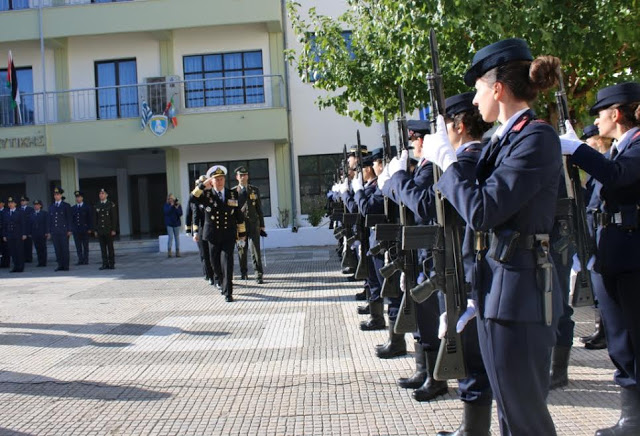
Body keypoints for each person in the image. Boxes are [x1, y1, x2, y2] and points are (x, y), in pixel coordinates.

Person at [424, 39, 563, 435]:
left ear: (497, 88)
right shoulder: (504, 139)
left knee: (524, 417)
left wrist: (449, 162)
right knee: (509, 413)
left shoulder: (536, 138)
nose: (476, 98)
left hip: (520, 293)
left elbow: (483, 210)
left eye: (479, 88)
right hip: (495, 287)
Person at [560, 81, 640, 436]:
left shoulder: (637, 145)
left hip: (632, 255)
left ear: (616, 113)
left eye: (600, 113)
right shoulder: (621, 148)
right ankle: (631, 417)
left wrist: (578, 149)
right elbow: (597, 189)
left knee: (634, 338)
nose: (598, 119)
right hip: (613, 253)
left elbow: (618, 177)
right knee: (622, 339)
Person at [190, 165, 246, 302]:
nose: (219, 181)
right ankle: (221, 282)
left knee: (227, 262)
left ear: (224, 180)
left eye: (221, 179)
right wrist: (203, 186)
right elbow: (192, 198)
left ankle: (228, 292)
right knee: (215, 263)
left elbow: (238, 213)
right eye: (216, 179)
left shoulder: (232, 194)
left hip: (228, 234)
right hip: (213, 235)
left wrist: (242, 232)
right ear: (212, 181)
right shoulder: (206, 195)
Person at [232, 166, 266, 283]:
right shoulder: (233, 192)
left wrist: (262, 224)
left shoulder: (254, 190)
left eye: (245, 175)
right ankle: (243, 272)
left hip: (253, 224)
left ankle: (258, 274)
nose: (243, 177)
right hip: (240, 226)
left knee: (255, 250)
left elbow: (259, 208)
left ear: (248, 176)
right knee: (242, 249)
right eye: (240, 175)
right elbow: (231, 211)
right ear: (237, 177)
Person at [189, 176, 218, 288]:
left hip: (214, 229)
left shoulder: (214, 194)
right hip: (202, 230)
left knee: (215, 255)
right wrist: (195, 232)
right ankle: (210, 276)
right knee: (205, 255)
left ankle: (218, 276)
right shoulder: (198, 198)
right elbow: (195, 215)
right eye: (204, 184)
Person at [48, 187, 72, 272]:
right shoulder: (51, 206)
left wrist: (69, 230)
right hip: (55, 231)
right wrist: (49, 231)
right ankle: (60, 265)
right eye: (55, 195)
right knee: (57, 249)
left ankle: (66, 265)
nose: (56, 196)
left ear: (61, 195)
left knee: (64, 249)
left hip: (63, 231)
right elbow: (50, 220)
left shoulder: (66, 206)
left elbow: (69, 218)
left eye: (58, 194)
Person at [94, 188, 117, 270]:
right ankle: (105, 264)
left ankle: (112, 263)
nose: (101, 195)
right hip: (100, 230)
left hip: (109, 229)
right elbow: (95, 219)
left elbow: (114, 218)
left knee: (110, 248)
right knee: (103, 248)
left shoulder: (111, 204)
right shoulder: (97, 205)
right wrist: (96, 230)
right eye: (100, 193)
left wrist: (114, 229)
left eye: (103, 193)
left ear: (106, 195)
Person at [2, 196, 26, 273]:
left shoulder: (20, 212)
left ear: (15, 204)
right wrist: (4, 235)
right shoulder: (6, 213)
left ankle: (20, 267)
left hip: (18, 234)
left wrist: (24, 234)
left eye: (12, 202)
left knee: (19, 251)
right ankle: (15, 266)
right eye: (9, 203)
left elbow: (23, 223)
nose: (10, 204)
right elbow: (4, 225)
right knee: (13, 252)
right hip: (10, 235)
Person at [71, 191, 93, 265]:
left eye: (79, 197)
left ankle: (86, 260)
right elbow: (72, 220)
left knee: (85, 246)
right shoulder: (73, 208)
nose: (78, 198)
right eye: (77, 197)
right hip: (76, 230)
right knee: (78, 246)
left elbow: (90, 218)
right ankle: (80, 260)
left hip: (85, 229)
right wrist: (72, 229)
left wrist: (90, 228)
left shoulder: (87, 207)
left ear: (82, 198)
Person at [30, 200, 49, 267]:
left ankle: (43, 262)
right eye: (35, 205)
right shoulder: (32, 214)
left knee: (43, 247)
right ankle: (40, 261)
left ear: (40, 205)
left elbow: (46, 223)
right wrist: (30, 233)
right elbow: (30, 224)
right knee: (37, 248)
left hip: (42, 233)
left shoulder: (44, 213)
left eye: (37, 204)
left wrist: (47, 232)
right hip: (35, 233)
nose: (36, 206)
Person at [19, 195, 34, 263]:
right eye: (21, 201)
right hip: (20, 231)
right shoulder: (18, 209)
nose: (22, 202)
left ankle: (29, 258)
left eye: (24, 201)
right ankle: (23, 258)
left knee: (28, 245)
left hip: (28, 230)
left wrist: (31, 232)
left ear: (27, 202)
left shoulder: (30, 209)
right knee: (21, 246)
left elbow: (32, 221)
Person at [0, 198, 8, 268]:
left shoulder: (6, 211)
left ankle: (6, 263)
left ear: (3, 204)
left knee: (5, 248)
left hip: (4, 233)